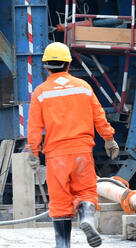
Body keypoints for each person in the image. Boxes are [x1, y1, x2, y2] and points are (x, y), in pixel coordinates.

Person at [27, 43, 120, 248]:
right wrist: (109, 138)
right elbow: (99, 116)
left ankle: (63, 244)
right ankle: (86, 217)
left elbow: (34, 127)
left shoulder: (41, 92)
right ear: (68, 64)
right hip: (82, 152)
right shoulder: (83, 87)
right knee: (86, 191)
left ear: (46, 67)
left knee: (59, 202)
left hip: (56, 155)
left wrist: (33, 153)